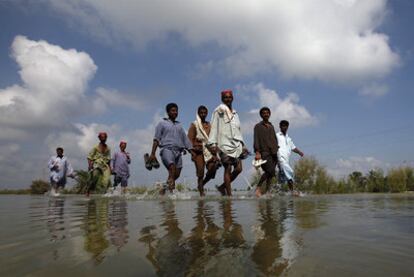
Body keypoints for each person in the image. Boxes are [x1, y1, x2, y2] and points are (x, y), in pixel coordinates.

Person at [208, 89, 248, 196]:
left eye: (229, 97)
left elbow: (238, 130)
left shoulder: (235, 113)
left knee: (239, 169)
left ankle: (222, 187)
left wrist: (243, 145)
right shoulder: (219, 110)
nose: (228, 99)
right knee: (228, 168)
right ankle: (229, 196)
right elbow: (213, 126)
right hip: (224, 144)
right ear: (222, 99)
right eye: (225, 97)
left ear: (233, 98)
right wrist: (212, 143)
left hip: (236, 144)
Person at [149, 103, 193, 195]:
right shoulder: (162, 124)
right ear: (168, 112)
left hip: (178, 152)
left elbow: (185, 139)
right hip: (166, 150)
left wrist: (191, 151)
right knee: (172, 168)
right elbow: (156, 139)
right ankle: (172, 195)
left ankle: (163, 189)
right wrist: (153, 154)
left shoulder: (179, 126)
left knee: (176, 174)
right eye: (173, 110)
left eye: (176, 111)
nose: (175, 112)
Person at [188, 105, 219, 196]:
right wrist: (192, 152)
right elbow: (189, 139)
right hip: (198, 151)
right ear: (198, 113)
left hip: (209, 150)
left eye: (205, 113)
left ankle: (202, 184)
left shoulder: (209, 125)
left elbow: (213, 138)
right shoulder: (194, 124)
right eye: (201, 112)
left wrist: (215, 150)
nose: (203, 114)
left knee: (213, 167)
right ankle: (201, 192)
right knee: (200, 172)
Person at [253, 107, 279, 197]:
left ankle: (268, 192)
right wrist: (257, 152)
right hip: (264, 152)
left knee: (271, 174)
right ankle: (258, 187)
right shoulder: (258, 126)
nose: (266, 114)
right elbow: (256, 139)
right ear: (261, 115)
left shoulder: (271, 126)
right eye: (264, 113)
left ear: (269, 114)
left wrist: (277, 148)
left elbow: (274, 139)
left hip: (274, 153)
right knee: (268, 171)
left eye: (267, 113)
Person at [276, 120, 304, 195]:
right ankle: (294, 191)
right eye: (283, 125)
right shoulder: (277, 135)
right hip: (280, 158)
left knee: (282, 178)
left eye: (286, 126)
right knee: (290, 173)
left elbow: (293, 147)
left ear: (288, 127)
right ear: (280, 127)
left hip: (286, 159)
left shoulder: (289, 138)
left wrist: (299, 152)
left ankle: (275, 192)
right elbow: (272, 144)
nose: (284, 127)